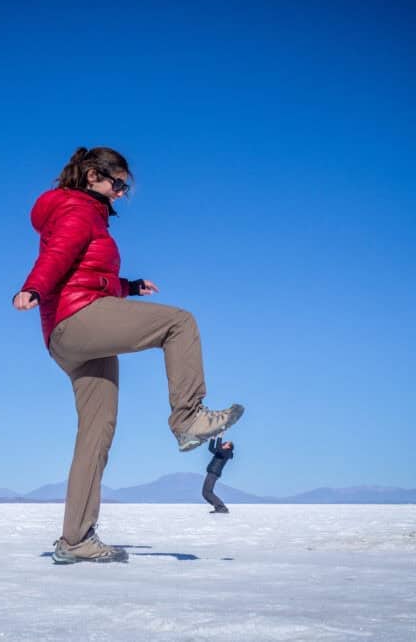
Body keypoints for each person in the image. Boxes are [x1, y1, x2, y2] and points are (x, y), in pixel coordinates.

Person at [13, 146, 244, 564]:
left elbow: (87, 276)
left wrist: (129, 287)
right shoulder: (78, 209)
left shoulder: (86, 214)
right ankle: (188, 418)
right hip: (79, 319)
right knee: (179, 323)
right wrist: (34, 287)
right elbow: (57, 255)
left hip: (71, 333)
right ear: (92, 176)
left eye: (125, 188)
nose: (121, 193)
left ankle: (75, 540)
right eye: (117, 184)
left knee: (96, 435)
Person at [203, 437, 234, 513]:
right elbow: (211, 448)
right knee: (205, 493)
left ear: (228, 447)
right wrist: (213, 438)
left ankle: (222, 507)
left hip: (213, 473)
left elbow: (218, 448)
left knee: (208, 492)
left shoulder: (226, 453)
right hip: (211, 472)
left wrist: (219, 437)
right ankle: (218, 507)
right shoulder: (221, 452)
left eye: (225, 443)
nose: (224, 443)